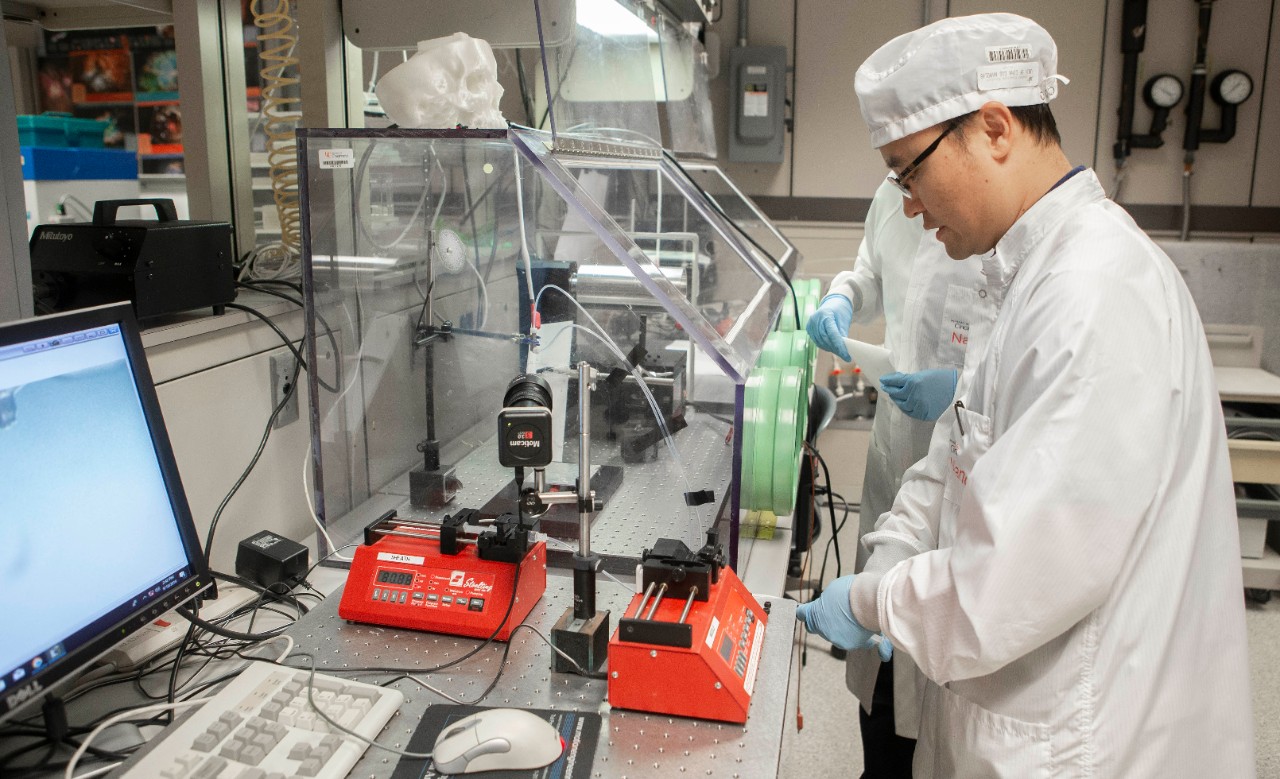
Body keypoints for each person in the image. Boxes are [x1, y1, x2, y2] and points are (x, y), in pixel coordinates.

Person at [797, 13, 1254, 776]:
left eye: (910, 170)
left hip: (1086, 740)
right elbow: (950, 458)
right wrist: (888, 559)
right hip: (1020, 720)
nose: (908, 203)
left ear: (996, 128)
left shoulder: (1093, 293)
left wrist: (878, 602)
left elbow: (1013, 578)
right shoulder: (1022, 278)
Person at [807, 177, 987, 777]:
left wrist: (962, 394)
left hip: (971, 466)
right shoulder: (895, 194)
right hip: (898, 452)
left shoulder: (998, 219)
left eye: (912, 166)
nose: (906, 193)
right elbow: (873, 270)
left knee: (933, 682)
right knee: (881, 683)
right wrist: (844, 298)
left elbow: (1024, 376)